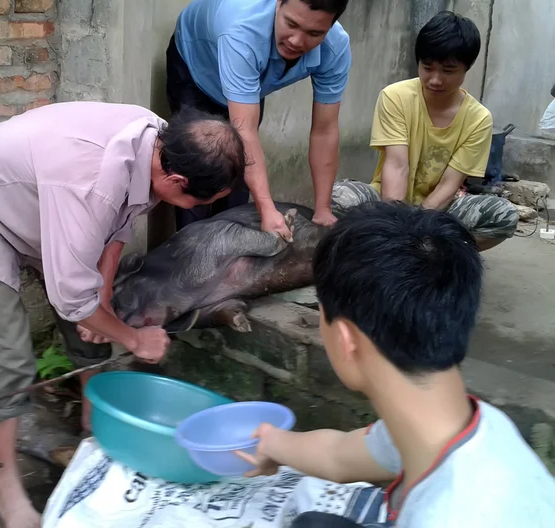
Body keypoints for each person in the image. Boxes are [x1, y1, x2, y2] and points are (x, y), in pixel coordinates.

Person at [0, 102, 246, 528]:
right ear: (174, 180)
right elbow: (70, 298)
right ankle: (6, 482)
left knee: (99, 310)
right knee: (9, 357)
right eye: (194, 201)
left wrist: (102, 302)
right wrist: (134, 339)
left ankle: (93, 425)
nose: (191, 208)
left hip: (41, 204)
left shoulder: (159, 141)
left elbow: (117, 227)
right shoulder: (92, 183)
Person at [237, 201, 555, 527]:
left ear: (347, 341)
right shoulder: (465, 424)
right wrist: (270, 442)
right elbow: (337, 456)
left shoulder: (451, 515)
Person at [166, 0, 352, 239]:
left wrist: (323, 210)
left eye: (315, 33)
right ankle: (192, 249)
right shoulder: (242, 30)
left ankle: (231, 246)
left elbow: (325, 131)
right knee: (200, 168)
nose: (297, 41)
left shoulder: (336, 47)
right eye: (291, 23)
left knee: (237, 172)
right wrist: (267, 210)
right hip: (196, 69)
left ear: (332, 25)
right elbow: (245, 132)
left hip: (250, 81)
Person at [334, 11, 518, 251]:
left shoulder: (478, 118)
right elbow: (397, 166)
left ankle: (437, 256)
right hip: (389, 200)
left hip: (443, 209)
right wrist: (394, 225)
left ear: (467, 67)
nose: (434, 80)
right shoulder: (395, 97)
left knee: (503, 216)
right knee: (339, 196)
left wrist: (415, 228)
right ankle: (389, 249)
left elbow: (449, 185)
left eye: (448, 70)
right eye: (427, 67)